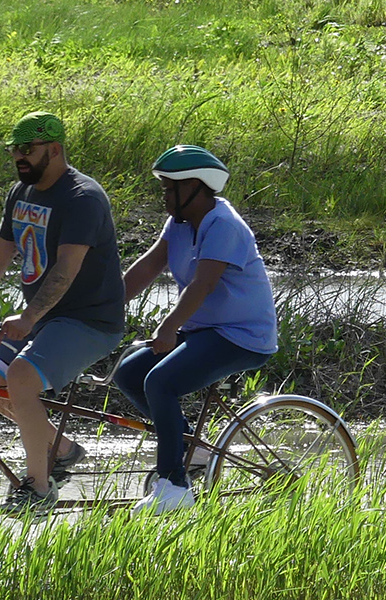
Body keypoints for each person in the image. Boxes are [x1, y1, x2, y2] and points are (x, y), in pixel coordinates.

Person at [0, 111, 127, 514]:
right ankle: (62, 449)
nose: (19, 157)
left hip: (89, 320)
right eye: (14, 150)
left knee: (20, 377)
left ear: (54, 150)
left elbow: (66, 269)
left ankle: (38, 489)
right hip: (44, 316)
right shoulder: (21, 194)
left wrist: (29, 318)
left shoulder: (82, 198)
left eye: (28, 150)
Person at [117, 145, 279, 514]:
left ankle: (173, 486)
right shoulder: (179, 223)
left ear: (197, 186)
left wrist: (168, 327)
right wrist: (105, 307)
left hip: (241, 336)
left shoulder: (224, 224)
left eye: (170, 187)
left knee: (160, 382)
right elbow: (148, 267)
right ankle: (194, 451)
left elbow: (203, 284)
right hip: (204, 330)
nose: (164, 195)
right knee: (129, 373)